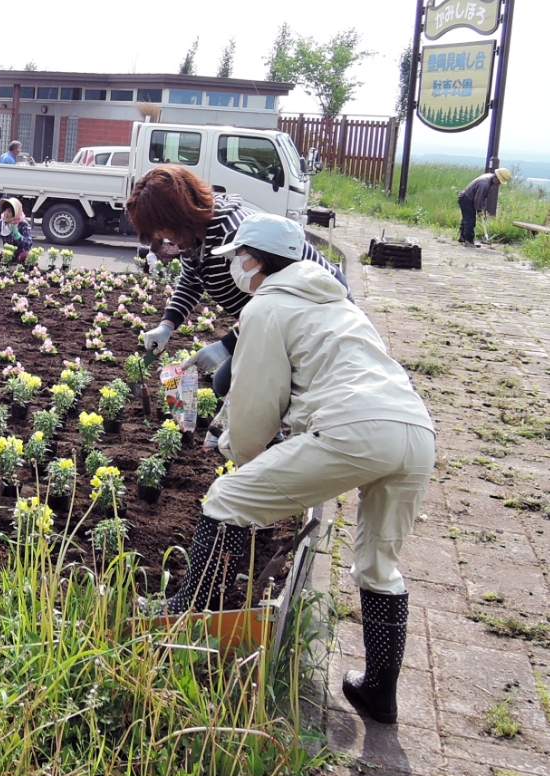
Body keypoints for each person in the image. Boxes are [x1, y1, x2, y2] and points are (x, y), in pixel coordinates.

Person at [159, 214, 434, 727]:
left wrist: (235, 451)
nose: (237, 268)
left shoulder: (268, 304)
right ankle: (379, 694)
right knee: (379, 565)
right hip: (415, 430)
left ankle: (189, 613)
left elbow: (257, 403)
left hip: (354, 429)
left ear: (256, 261)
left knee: (227, 501)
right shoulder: (337, 301)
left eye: (239, 258)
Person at [127, 165, 348, 397]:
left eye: (163, 229)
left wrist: (226, 345)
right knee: (231, 383)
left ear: (180, 215)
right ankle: (271, 429)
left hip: (316, 310)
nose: (164, 238)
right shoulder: (194, 236)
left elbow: (275, 307)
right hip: (276, 315)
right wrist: (167, 325)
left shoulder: (233, 237)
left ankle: (280, 426)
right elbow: (191, 281)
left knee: (247, 387)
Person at [457, 167, 512, 246]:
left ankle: (463, 238)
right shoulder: (484, 184)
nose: (499, 184)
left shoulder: (489, 177)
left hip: (466, 198)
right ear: (496, 178)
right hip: (467, 199)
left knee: (466, 219)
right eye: (499, 182)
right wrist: (479, 209)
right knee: (470, 220)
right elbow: (479, 198)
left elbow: (481, 197)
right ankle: (469, 241)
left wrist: (479, 208)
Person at [0, 197, 33, 262]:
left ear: (15, 213)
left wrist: (19, 237)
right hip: (7, 254)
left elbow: (29, 243)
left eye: (9, 211)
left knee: (25, 256)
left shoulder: (23, 224)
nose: (6, 213)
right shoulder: (0, 223)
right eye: (5, 210)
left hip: (20, 255)